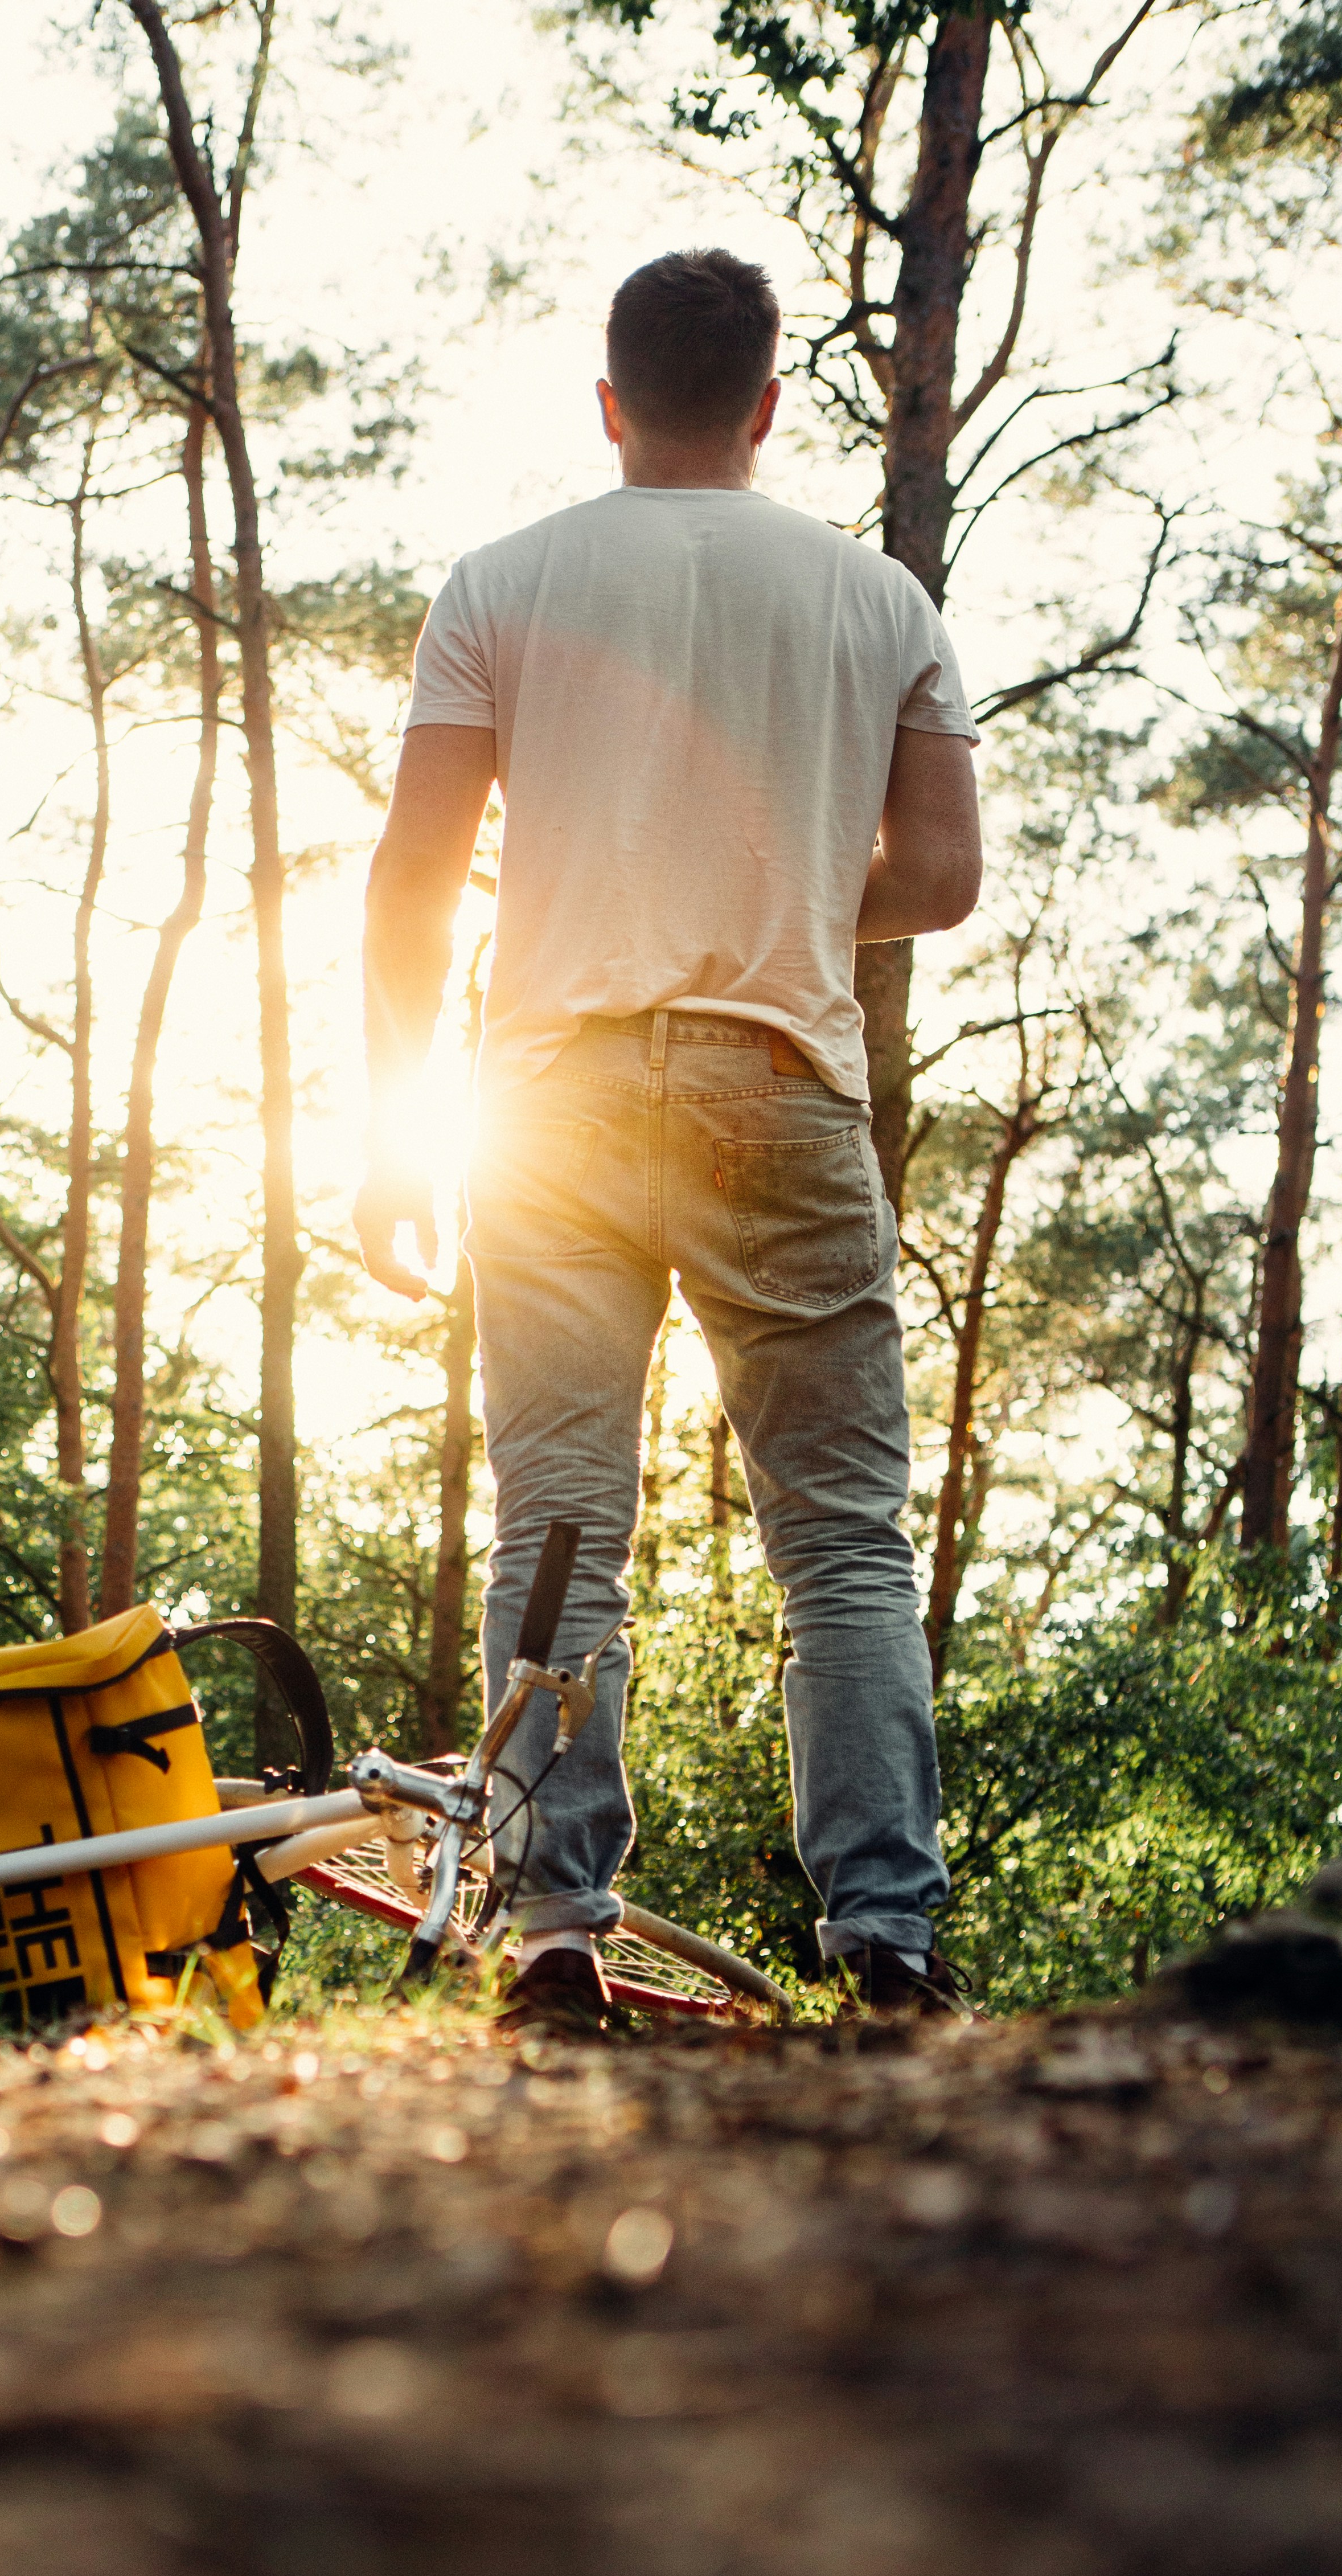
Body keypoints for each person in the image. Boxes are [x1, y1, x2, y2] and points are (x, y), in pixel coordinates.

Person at [355, 247, 983, 2030]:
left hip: (542, 1094)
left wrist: (397, 1129)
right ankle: (888, 1939)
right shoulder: (882, 601)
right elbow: (939, 877)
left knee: (559, 1521)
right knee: (843, 1539)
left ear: (611, 401)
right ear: (771, 405)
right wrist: (779, 885)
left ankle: (555, 1934)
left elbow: (412, 880)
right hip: (780, 1079)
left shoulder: (504, 581)